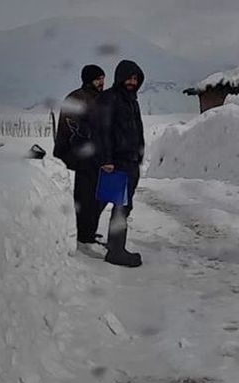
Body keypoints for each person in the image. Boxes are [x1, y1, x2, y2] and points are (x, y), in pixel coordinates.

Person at [93, 60, 146, 268]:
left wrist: (139, 152)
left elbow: (137, 130)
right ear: (120, 77)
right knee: (119, 206)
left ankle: (110, 244)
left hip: (130, 161)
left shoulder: (131, 100)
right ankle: (116, 251)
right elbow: (103, 131)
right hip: (116, 162)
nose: (132, 82)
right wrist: (106, 159)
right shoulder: (110, 99)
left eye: (136, 78)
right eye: (129, 77)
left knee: (121, 205)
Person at [53, 65, 107, 256]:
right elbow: (70, 129)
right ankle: (84, 237)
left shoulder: (100, 98)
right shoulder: (76, 98)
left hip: (98, 156)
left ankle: (89, 232)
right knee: (85, 197)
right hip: (82, 156)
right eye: (98, 78)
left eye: (103, 78)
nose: (102, 82)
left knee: (98, 197)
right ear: (88, 79)